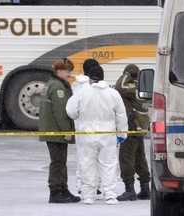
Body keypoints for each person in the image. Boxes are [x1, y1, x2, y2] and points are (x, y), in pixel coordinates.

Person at [66, 65, 128, 205]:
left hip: (86, 134)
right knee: (109, 164)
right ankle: (110, 195)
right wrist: (122, 133)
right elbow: (121, 115)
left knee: (87, 164)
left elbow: (71, 111)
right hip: (108, 134)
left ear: (90, 78)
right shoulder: (113, 93)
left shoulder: (82, 92)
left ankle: (88, 196)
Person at [39, 57, 81, 204]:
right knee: (58, 162)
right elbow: (60, 111)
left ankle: (63, 189)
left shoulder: (50, 84)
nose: (70, 74)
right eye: (68, 71)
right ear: (59, 71)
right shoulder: (57, 87)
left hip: (51, 129)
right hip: (56, 130)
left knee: (60, 161)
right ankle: (56, 191)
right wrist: (66, 130)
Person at [114, 64, 151, 201]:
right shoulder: (141, 87)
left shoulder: (132, 88)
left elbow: (119, 88)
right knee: (140, 159)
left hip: (132, 127)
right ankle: (145, 188)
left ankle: (129, 189)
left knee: (126, 158)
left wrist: (126, 74)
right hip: (139, 128)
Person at [72, 59, 102, 195]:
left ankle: (82, 186)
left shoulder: (78, 87)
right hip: (101, 128)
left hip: (82, 128)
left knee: (83, 158)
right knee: (100, 159)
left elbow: (71, 110)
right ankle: (97, 187)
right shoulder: (101, 89)